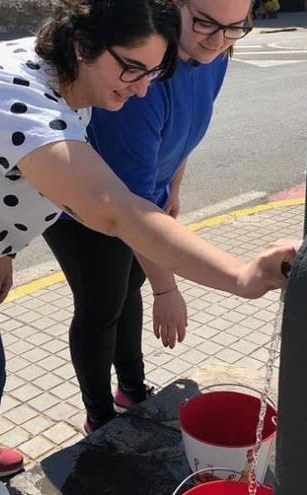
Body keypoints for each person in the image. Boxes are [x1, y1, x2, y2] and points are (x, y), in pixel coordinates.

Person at [0, 0, 296, 484]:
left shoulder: (71, 74)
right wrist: (243, 277)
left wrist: (1, 249)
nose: (140, 91)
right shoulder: (19, 101)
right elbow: (118, 210)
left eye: (153, 74)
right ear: (83, 44)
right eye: (132, 69)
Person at [44, 0, 259, 434]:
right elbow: (128, 211)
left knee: (129, 288)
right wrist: (169, 289)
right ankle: (99, 415)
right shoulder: (145, 81)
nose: (218, 41)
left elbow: (186, 132)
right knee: (101, 305)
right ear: (175, 5)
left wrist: (173, 188)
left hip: (144, 198)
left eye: (235, 28)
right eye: (204, 23)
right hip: (90, 210)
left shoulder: (213, 59)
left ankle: (131, 387)